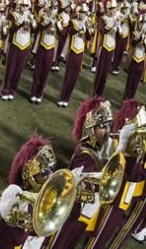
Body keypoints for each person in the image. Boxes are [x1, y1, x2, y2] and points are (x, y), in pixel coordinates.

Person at [54, 97, 131, 249]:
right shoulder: (85, 155)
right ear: (90, 127)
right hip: (70, 215)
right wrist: (121, 147)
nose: (108, 131)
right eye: (103, 126)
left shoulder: (94, 148)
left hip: (78, 214)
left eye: (109, 125)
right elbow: (82, 185)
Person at [87, 99, 146, 249]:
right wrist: (123, 145)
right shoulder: (124, 146)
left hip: (122, 197)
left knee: (104, 231)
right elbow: (131, 174)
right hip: (115, 196)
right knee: (100, 235)